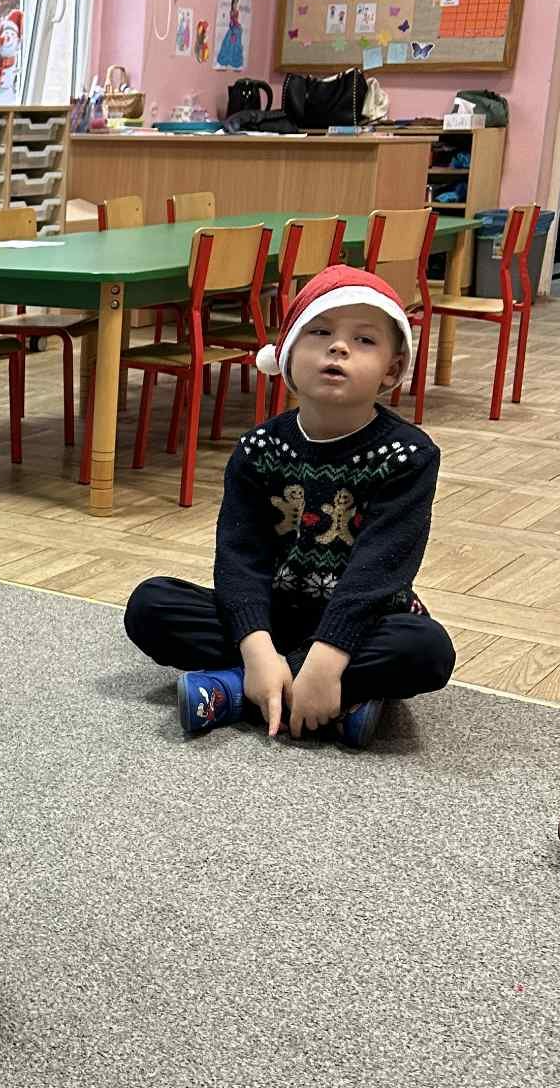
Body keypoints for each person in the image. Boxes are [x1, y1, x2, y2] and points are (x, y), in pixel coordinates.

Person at [123, 265, 455, 749]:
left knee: (426, 650)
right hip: (272, 614)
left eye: (364, 340)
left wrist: (328, 657)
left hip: (361, 619)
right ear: (286, 354)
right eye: (319, 333)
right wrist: (257, 646)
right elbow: (239, 557)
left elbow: (380, 570)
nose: (338, 348)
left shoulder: (409, 455)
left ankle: (237, 690)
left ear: (391, 369)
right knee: (151, 605)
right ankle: (335, 698)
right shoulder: (258, 448)